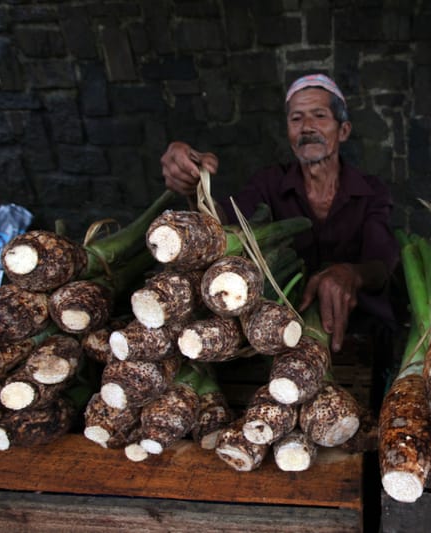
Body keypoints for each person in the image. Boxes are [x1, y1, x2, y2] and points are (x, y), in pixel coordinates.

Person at [160, 73, 401, 375]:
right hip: (277, 340)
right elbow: (223, 232)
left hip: (357, 336)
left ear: (344, 130)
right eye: (296, 119)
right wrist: (194, 186)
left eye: (320, 116)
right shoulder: (268, 184)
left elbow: (382, 264)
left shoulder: (370, 190)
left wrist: (351, 273)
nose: (307, 128)